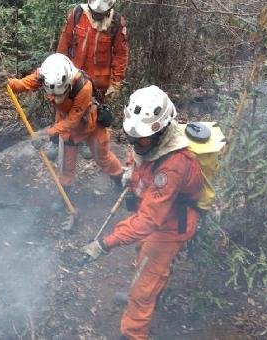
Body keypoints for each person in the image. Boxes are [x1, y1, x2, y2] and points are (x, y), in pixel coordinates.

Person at [81, 86, 204, 340]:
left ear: (161, 131)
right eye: (132, 137)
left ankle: (134, 331)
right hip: (159, 216)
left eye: (143, 139)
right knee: (144, 260)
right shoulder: (147, 143)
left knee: (142, 289)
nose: (136, 143)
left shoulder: (174, 165)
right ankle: (149, 288)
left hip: (169, 227)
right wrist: (130, 173)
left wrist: (105, 244)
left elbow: (149, 220)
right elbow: (137, 159)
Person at [7, 53, 124, 200]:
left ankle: (120, 179)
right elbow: (25, 83)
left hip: (90, 123)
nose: (56, 98)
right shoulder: (46, 74)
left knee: (103, 157)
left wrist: (46, 134)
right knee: (67, 164)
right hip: (66, 126)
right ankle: (65, 196)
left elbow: (73, 121)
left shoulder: (83, 86)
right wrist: (9, 83)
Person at [55, 0, 129, 158]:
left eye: (100, 13)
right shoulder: (77, 14)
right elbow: (64, 43)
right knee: (64, 108)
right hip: (73, 77)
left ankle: (84, 141)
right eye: (94, 12)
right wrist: (58, 67)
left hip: (98, 83)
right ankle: (57, 141)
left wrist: (116, 83)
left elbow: (121, 55)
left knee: (91, 114)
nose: (96, 15)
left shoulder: (116, 23)